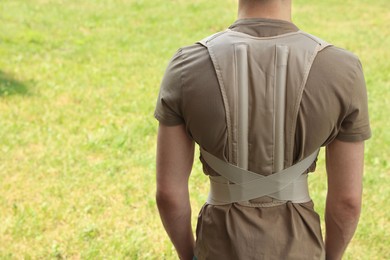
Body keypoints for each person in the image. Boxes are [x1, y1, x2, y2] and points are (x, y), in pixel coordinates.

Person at [154, 0, 371, 259]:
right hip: (300, 246)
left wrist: (189, 254)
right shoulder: (343, 69)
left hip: (219, 245)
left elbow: (169, 194)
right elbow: (347, 202)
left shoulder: (185, 66)